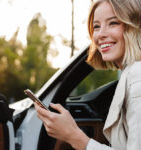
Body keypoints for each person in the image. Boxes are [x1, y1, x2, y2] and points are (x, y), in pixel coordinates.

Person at [34, 0, 141, 149]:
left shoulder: (137, 75)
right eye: (96, 26)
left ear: (134, 26)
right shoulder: (130, 73)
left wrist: (73, 135)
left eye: (113, 23)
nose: (100, 34)